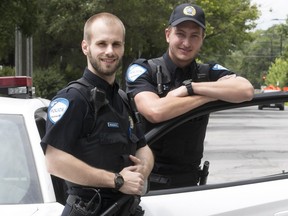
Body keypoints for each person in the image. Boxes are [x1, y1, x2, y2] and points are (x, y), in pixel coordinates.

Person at [125, 3, 254, 190]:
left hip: (190, 186)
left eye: (194, 36)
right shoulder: (144, 69)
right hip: (146, 184)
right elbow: (155, 111)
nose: (187, 43)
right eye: (180, 34)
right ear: (168, 34)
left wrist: (191, 88)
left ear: (202, 39)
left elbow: (246, 90)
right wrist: (210, 96)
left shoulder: (207, 72)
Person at [41, 12, 154, 215]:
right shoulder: (74, 98)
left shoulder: (121, 98)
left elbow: (143, 148)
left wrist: (141, 172)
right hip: (89, 210)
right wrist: (117, 180)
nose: (110, 51)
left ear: (123, 48)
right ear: (86, 47)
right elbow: (54, 161)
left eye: (116, 44)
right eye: (102, 44)